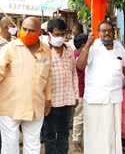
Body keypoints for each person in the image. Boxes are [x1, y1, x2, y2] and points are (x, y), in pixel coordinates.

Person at [77, 20, 125, 154]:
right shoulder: (92, 46)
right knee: (96, 131)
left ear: (113, 32)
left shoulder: (119, 46)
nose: (107, 33)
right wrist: (87, 44)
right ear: (98, 33)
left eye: (109, 30)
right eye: (103, 31)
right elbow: (80, 65)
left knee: (112, 131)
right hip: (95, 98)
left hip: (114, 97)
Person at [0, 17, 52, 154]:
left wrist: (48, 98)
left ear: (39, 32)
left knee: (33, 146)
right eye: (24, 29)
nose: (26, 32)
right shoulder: (9, 49)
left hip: (35, 106)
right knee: (10, 147)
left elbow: (48, 75)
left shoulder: (46, 50)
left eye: (31, 30)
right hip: (10, 108)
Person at [44, 18, 79, 154]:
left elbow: (73, 73)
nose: (60, 38)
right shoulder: (44, 51)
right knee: (50, 135)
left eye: (62, 35)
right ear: (49, 35)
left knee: (64, 134)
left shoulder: (69, 49)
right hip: (50, 102)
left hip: (67, 100)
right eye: (57, 35)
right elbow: (42, 77)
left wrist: (75, 95)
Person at [72, 34, 88, 153]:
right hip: (81, 92)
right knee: (79, 118)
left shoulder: (75, 54)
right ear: (84, 45)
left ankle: (78, 141)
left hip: (82, 91)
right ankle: (76, 143)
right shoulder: (78, 56)